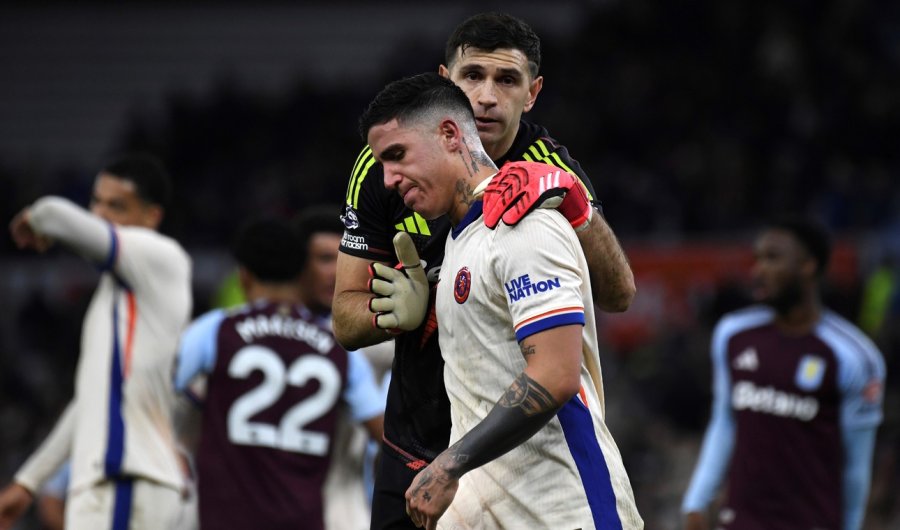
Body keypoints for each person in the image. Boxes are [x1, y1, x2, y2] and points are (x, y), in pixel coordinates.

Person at [333, 12, 635, 529]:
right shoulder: (387, 170)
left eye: (507, 80)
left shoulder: (544, 183)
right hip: (418, 440)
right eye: (473, 76)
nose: (488, 96)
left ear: (533, 92)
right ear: (446, 82)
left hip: (522, 453)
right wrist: (394, 315)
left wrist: (573, 201)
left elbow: (617, 295)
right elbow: (345, 316)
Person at [0, 153, 193, 530]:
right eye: (97, 201)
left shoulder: (160, 256)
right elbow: (92, 401)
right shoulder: (118, 294)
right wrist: (29, 482)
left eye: (116, 206)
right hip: (121, 483)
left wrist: (33, 219)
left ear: (152, 217)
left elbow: (55, 214)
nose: (99, 215)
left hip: (125, 481)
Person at [172, 217, 384, 530]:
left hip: (225, 516)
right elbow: (385, 433)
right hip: (305, 516)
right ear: (301, 274)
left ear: (243, 276)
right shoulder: (339, 348)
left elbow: (160, 395)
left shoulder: (215, 331)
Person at [681, 217, 886, 530]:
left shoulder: (855, 357)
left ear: (808, 266)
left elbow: (856, 464)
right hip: (740, 521)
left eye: (773, 258)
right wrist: (696, 503)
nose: (758, 270)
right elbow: (724, 421)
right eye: (758, 258)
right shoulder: (733, 334)